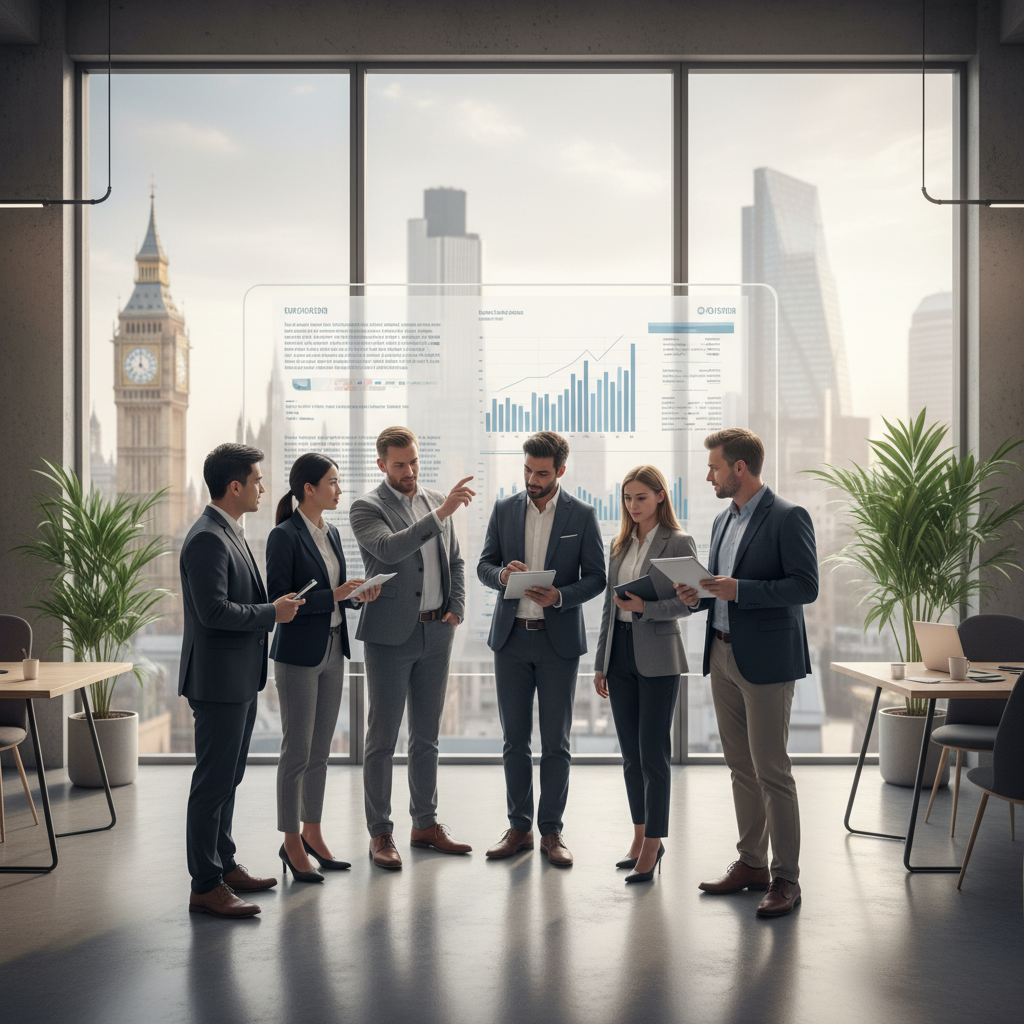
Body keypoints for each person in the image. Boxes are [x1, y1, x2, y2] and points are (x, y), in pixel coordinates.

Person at [675, 428, 818, 917]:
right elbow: (720, 589)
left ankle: (787, 878)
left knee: (772, 770)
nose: (709, 476)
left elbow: (805, 587)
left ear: (739, 467)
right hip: (720, 654)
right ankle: (752, 864)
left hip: (767, 661)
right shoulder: (722, 521)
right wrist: (697, 596)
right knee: (740, 767)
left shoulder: (788, 517)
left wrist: (742, 590)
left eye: (714, 467)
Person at [178, 443, 305, 919]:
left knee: (228, 779)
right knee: (212, 784)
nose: (263, 488)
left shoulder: (228, 530)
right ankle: (205, 885)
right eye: (257, 480)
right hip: (218, 682)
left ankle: (224, 865)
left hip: (238, 678)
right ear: (235, 486)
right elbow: (212, 612)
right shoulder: (207, 538)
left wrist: (275, 606)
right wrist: (273, 612)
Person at [349, 426, 476, 869]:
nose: (409, 471)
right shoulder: (366, 507)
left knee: (427, 737)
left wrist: (456, 608)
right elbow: (389, 550)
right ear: (382, 464)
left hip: (437, 632)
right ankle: (380, 833)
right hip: (389, 636)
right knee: (382, 738)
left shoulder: (434, 500)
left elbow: (455, 560)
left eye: (414, 461)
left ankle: (425, 824)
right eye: (400, 464)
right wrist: (441, 513)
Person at [477, 431, 606, 866]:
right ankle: (519, 829)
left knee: (556, 742)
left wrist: (562, 596)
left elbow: (597, 577)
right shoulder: (503, 509)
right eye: (528, 470)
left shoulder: (582, 515)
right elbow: (483, 565)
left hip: (558, 644)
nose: (532, 479)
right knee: (514, 741)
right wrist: (501, 575)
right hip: (510, 639)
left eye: (542, 473)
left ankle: (552, 831)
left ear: (560, 471)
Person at [266, 452, 381, 883]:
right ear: (308, 489)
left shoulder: (331, 532)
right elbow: (281, 600)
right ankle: (291, 840)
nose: (339, 489)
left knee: (320, 753)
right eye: (332, 482)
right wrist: (335, 595)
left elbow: (335, 594)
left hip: (333, 650)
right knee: (296, 752)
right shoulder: (283, 536)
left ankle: (312, 831)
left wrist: (356, 596)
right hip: (298, 655)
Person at [592, 465, 696, 883]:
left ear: (660, 496)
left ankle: (654, 844)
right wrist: (600, 663)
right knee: (631, 757)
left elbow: (690, 602)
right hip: (619, 655)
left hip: (659, 658)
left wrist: (645, 608)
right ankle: (638, 837)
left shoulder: (679, 542)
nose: (633, 505)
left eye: (640, 497)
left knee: (653, 755)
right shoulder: (618, 544)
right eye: (627, 498)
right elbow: (608, 606)